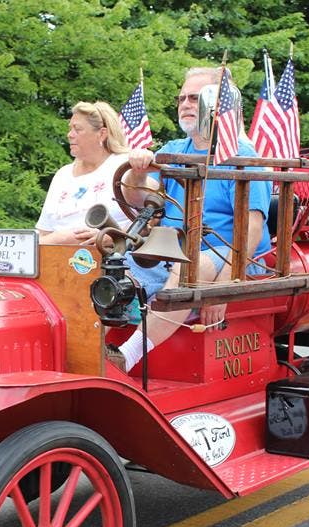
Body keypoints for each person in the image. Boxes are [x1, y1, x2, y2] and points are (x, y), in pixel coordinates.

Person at [109, 67, 273, 373]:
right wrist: (139, 168)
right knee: (109, 264)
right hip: (172, 246)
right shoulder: (173, 151)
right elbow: (135, 199)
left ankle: (126, 357)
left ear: (217, 105)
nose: (185, 103)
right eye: (182, 97)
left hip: (229, 251)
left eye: (194, 97)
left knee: (189, 265)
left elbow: (251, 229)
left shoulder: (243, 157)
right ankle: (88, 352)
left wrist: (222, 290)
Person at [36, 101, 131, 245]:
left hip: (110, 259)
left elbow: (148, 221)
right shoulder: (63, 175)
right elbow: (44, 232)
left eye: (77, 129)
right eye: (70, 129)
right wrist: (60, 239)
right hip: (55, 258)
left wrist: (112, 236)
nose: (69, 135)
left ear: (102, 133)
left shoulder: (123, 166)